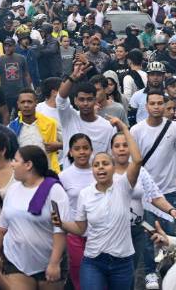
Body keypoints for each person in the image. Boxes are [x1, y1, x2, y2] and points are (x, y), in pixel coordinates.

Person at [52, 118, 141, 290]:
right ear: (92, 170)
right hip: (93, 261)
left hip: (122, 261)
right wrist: (61, 223)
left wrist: (123, 128)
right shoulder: (85, 194)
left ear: (113, 168)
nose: (101, 168)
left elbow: (137, 160)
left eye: (105, 164)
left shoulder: (123, 185)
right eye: (97, 165)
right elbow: (80, 228)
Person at [130, 91, 176, 289]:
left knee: (171, 233)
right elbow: (134, 163)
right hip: (146, 194)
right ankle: (150, 272)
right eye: (152, 103)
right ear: (146, 106)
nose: (156, 107)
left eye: (159, 103)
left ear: (165, 106)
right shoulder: (136, 130)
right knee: (148, 235)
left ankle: (172, 271)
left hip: (169, 190)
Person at [0, 145, 67, 289]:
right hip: (15, 261)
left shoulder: (54, 190)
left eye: (15, 160)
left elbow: (60, 230)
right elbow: (2, 227)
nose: (12, 164)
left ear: (28, 165)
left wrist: (54, 263)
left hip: (48, 261)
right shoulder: (13, 189)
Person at [56, 55, 115, 164]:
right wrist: (72, 77)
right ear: (75, 101)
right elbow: (60, 99)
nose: (85, 103)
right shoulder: (69, 118)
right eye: (81, 99)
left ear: (95, 100)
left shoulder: (107, 127)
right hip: (70, 179)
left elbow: (110, 158)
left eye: (89, 99)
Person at [58, 134, 94, 290]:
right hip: (74, 234)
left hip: (99, 234)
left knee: (98, 275)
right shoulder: (64, 176)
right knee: (80, 274)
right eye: (77, 149)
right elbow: (57, 206)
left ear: (91, 150)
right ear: (70, 152)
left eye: (86, 148)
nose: (82, 152)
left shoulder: (100, 171)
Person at [8, 89, 60, 172]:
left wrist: (59, 146)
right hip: (22, 174)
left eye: (29, 102)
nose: (26, 105)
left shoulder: (50, 124)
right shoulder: (11, 128)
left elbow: (70, 143)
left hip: (47, 172)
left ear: (36, 103)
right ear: (18, 104)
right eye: (23, 102)